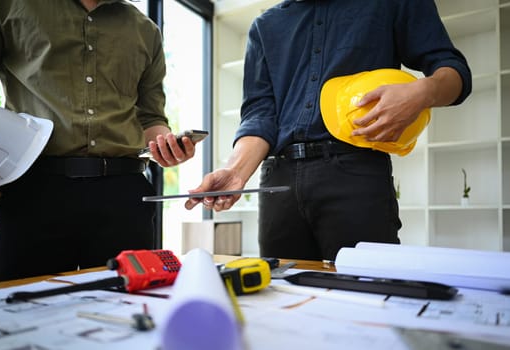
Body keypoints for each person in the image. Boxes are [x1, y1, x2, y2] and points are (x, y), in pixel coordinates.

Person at [185, 0, 472, 261]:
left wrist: (421, 92)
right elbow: (259, 114)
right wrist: (236, 172)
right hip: (279, 182)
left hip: (355, 174)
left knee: (366, 295)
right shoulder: (265, 26)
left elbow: (454, 71)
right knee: (282, 297)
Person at [0, 0, 197, 282]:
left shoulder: (146, 30)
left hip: (123, 197)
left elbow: (150, 117)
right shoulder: (6, 5)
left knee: (125, 314)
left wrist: (166, 145)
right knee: (21, 312)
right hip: (33, 192)